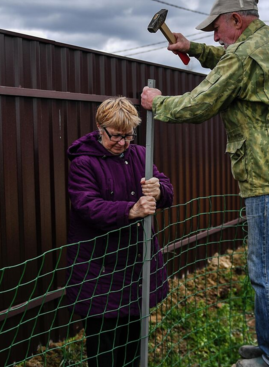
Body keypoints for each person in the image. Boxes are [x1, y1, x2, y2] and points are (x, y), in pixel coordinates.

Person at [141, 0, 269, 367]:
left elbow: (204, 101)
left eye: (216, 29)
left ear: (237, 19)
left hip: (268, 173)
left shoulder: (246, 54)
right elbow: (228, 62)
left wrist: (159, 103)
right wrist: (194, 49)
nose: (214, 37)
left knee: (268, 271)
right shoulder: (265, 42)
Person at [66, 97, 173, 367]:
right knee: (104, 350)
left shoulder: (139, 155)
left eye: (128, 136)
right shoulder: (83, 163)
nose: (123, 143)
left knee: (133, 346)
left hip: (135, 267)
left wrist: (159, 190)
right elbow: (86, 205)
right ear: (100, 129)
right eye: (116, 136)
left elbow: (165, 185)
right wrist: (130, 210)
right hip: (99, 270)